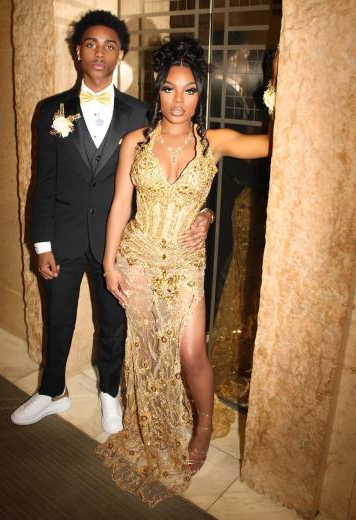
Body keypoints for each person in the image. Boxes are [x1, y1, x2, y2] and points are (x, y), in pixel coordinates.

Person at [11, 12, 211, 434]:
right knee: (58, 318)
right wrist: (42, 244)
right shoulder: (51, 110)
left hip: (118, 244)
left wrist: (204, 213)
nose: (99, 53)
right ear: (77, 51)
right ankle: (52, 391)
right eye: (91, 44)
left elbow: (175, 175)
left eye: (109, 46)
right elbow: (42, 181)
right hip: (63, 236)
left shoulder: (142, 113)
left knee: (113, 325)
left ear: (120, 54)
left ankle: (109, 393)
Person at [96, 38, 269, 506]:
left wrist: (276, 91)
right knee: (149, 350)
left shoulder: (217, 142)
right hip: (139, 257)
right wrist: (110, 264)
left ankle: (203, 427)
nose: (178, 100)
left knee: (192, 352)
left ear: (201, 94)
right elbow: (120, 205)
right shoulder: (135, 142)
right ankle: (152, 423)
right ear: (157, 90)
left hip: (185, 262)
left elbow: (279, 142)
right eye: (170, 89)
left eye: (189, 90)